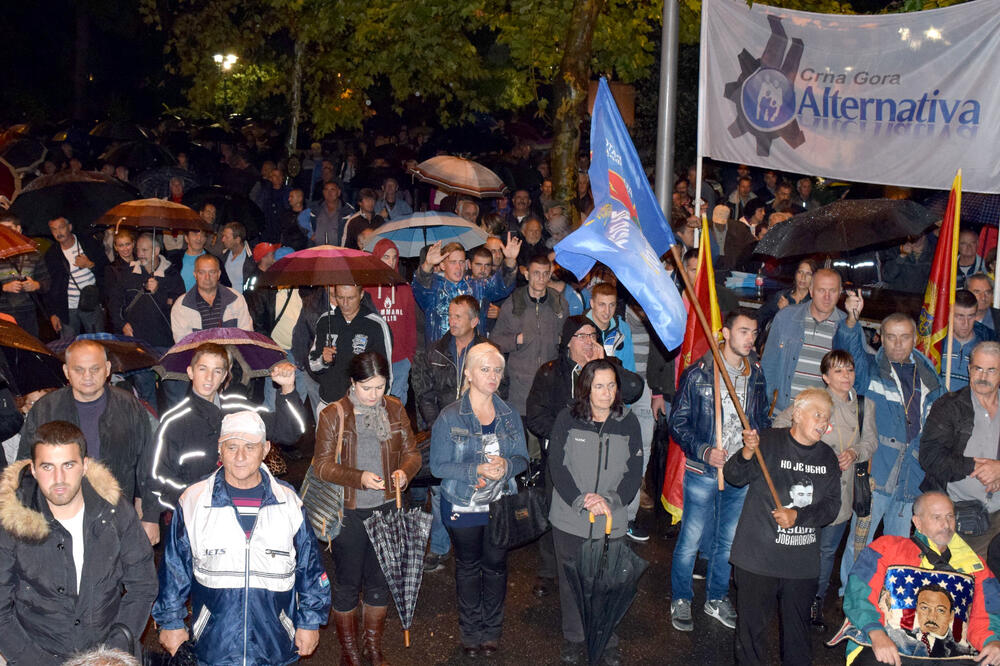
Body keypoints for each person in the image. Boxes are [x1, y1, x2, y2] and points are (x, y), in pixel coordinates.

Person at [153, 411, 331, 664]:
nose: (239, 456)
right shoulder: (193, 500)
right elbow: (173, 568)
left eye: (250, 447)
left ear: (266, 449)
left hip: (274, 645)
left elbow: (310, 567)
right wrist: (170, 622)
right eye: (231, 446)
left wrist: (310, 622)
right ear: (219, 449)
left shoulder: (288, 501)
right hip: (214, 647)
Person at [0, 420, 157, 665]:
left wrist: (112, 654)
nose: (59, 479)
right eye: (48, 467)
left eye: (68, 465)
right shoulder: (11, 522)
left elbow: (143, 585)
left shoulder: (115, 512)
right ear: (32, 469)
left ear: (84, 465)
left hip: (105, 651)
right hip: (36, 652)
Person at [313, 352, 421, 666]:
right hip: (349, 511)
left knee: (380, 580)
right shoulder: (335, 414)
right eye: (367, 388)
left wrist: (405, 472)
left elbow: (413, 453)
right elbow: (320, 466)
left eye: (380, 387)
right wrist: (358, 478)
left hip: (387, 507)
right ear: (353, 383)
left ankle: (372, 649)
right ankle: (350, 654)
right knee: (347, 582)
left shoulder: (395, 408)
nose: (374, 395)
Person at [669, 308, 771, 633]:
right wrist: (703, 449)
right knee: (691, 539)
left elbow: (762, 419)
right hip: (703, 471)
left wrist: (759, 435)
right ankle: (681, 598)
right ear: (725, 333)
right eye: (743, 331)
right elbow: (678, 422)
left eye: (754, 333)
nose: (750, 339)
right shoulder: (700, 372)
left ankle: (716, 598)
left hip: (739, 471)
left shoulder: (755, 373)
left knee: (727, 542)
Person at [724, 387, 841, 666]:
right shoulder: (767, 442)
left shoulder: (827, 457)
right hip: (757, 559)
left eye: (827, 417)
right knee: (750, 637)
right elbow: (734, 476)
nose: (823, 423)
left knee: (798, 640)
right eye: (817, 415)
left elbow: (831, 508)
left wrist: (797, 517)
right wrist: (748, 452)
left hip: (800, 566)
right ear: (797, 414)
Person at [141, 342, 304, 538]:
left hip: (244, 517)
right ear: (190, 372)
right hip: (195, 521)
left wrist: (287, 389)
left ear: (225, 376)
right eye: (203, 369)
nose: (209, 378)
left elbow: (289, 432)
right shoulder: (174, 422)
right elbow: (157, 476)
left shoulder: (240, 410)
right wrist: (154, 515)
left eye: (217, 371)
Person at [429, 343, 529, 658]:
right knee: (468, 566)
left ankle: (492, 632)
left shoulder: (509, 414)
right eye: (485, 369)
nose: (492, 376)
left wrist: (507, 466)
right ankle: (470, 633)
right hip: (462, 503)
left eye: (497, 370)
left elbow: (524, 458)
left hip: (499, 503)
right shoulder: (449, 416)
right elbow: (438, 466)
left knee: (497, 566)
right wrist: (476, 469)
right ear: (469, 374)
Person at [834, 298, 946, 571]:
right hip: (876, 474)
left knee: (899, 545)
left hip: (912, 476)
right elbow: (848, 350)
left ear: (915, 339)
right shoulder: (870, 371)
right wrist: (851, 320)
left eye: (905, 337)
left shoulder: (931, 379)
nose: (898, 344)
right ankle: (852, 600)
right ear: (880, 337)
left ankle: (889, 600)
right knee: (860, 543)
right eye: (891, 337)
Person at [772, 349, 877, 628]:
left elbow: (871, 442)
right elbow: (780, 426)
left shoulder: (864, 405)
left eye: (850, 370)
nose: (846, 376)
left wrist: (854, 453)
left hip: (839, 494)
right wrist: (807, 449)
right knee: (795, 544)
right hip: (806, 489)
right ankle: (785, 596)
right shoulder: (813, 401)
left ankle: (814, 602)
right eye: (839, 371)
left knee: (827, 550)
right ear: (825, 377)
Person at [548, 359, 643, 665]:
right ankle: (575, 638)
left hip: (610, 519)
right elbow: (556, 466)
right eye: (599, 386)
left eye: (611, 386)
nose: (606, 393)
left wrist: (610, 501)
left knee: (607, 581)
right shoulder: (568, 418)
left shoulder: (628, 422)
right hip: (570, 516)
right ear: (586, 389)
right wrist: (582, 499)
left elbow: (634, 472)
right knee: (572, 581)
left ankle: (606, 637)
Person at [842, 492, 1000, 665]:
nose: (946, 524)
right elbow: (859, 595)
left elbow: (987, 614)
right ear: (917, 522)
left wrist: (991, 641)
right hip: (893, 645)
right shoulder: (887, 548)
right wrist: (876, 633)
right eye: (936, 517)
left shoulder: (975, 565)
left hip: (951, 654)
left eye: (950, 517)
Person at [17, 340, 154, 533]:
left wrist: (149, 515)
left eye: (94, 369)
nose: (87, 376)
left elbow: (146, 463)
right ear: (66, 371)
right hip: (58, 517)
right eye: (79, 370)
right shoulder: (45, 409)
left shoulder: (129, 406)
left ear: (107, 369)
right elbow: (25, 464)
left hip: (116, 514)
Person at [920, 341, 1000, 558]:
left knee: (990, 589)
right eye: (978, 368)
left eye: (991, 370)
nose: (983, 376)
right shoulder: (948, 406)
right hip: (955, 517)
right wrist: (975, 466)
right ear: (969, 369)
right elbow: (929, 457)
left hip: (997, 519)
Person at [490, 254, 568, 416]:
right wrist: (515, 340)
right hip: (520, 386)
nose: (541, 278)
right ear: (526, 275)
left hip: (549, 383)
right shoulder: (512, 304)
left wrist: (561, 341)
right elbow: (494, 341)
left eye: (545, 273)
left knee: (545, 437)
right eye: (536, 273)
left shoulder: (560, 303)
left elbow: (569, 339)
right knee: (523, 436)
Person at [761, 267, 846, 412]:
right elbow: (768, 366)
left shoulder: (846, 328)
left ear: (840, 293)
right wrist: (768, 406)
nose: (827, 297)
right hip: (782, 413)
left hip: (821, 417)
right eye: (821, 290)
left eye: (832, 291)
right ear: (811, 291)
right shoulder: (786, 317)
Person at [413, 237, 521, 342]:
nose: (458, 267)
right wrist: (427, 265)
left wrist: (510, 261)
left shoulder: (477, 287)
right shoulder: (433, 289)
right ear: (442, 265)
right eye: (453, 262)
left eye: (461, 262)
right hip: (441, 355)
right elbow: (420, 287)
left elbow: (501, 285)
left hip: (473, 354)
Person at [308, 284, 392, 407]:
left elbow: (387, 372)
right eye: (340, 297)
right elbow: (313, 365)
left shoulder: (376, 325)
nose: (345, 303)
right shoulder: (325, 321)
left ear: (361, 294)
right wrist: (323, 360)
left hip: (362, 406)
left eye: (351, 298)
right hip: (329, 404)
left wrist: (380, 405)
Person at [365, 239, 418, 404]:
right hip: (374, 359)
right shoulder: (367, 287)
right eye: (386, 257)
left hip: (400, 359)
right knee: (373, 402)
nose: (391, 261)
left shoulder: (404, 288)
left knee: (396, 404)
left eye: (394, 257)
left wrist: (409, 356)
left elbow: (410, 324)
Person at [44, 216, 107, 339]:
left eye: (61, 228)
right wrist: (53, 313)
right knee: (69, 346)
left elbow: (106, 268)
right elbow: (50, 286)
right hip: (67, 308)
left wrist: (90, 264)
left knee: (98, 341)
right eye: (54, 229)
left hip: (90, 303)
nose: (58, 232)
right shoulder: (52, 254)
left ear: (70, 227)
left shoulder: (88, 243)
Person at [170, 253, 253, 342]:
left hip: (232, 354)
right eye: (202, 272)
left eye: (212, 272)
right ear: (195, 274)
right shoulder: (181, 306)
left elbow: (247, 336)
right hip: (198, 355)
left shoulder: (236, 299)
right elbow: (183, 345)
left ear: (219, 274)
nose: (207, 277)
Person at [0, 212, 49, 337]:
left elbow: (47, 282)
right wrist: (4, 287)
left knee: (30, 353)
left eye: (9, 229)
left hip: (29, 314)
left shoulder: (33, 253)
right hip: (3, 315)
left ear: (18, 229)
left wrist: (36, 285)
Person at [940, 289, 996, 390]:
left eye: (971, 316)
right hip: (936, 404)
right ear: (948, 314)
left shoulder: (987, 346)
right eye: (959, 316)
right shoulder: (936, 344)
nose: (965, 323)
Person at [756, 259, 815, 333]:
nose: (803, 277)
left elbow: (804, 331)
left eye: (808, 274)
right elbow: (760, 316)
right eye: (800, 272)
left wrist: (786, 311)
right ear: (795, 274)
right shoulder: (782, 296)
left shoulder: (813, 303)